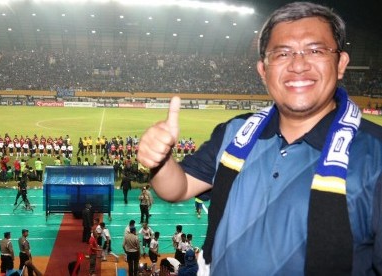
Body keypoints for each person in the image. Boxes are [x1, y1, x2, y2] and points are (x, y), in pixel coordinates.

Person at [136, 2, 382, 275]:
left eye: (315, 50)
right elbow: (177, 188)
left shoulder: (376, 155)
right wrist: (161, 159)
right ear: (263, 71)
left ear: (340, 63)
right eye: (282, 53)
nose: (298, 64)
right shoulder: (235, 132)